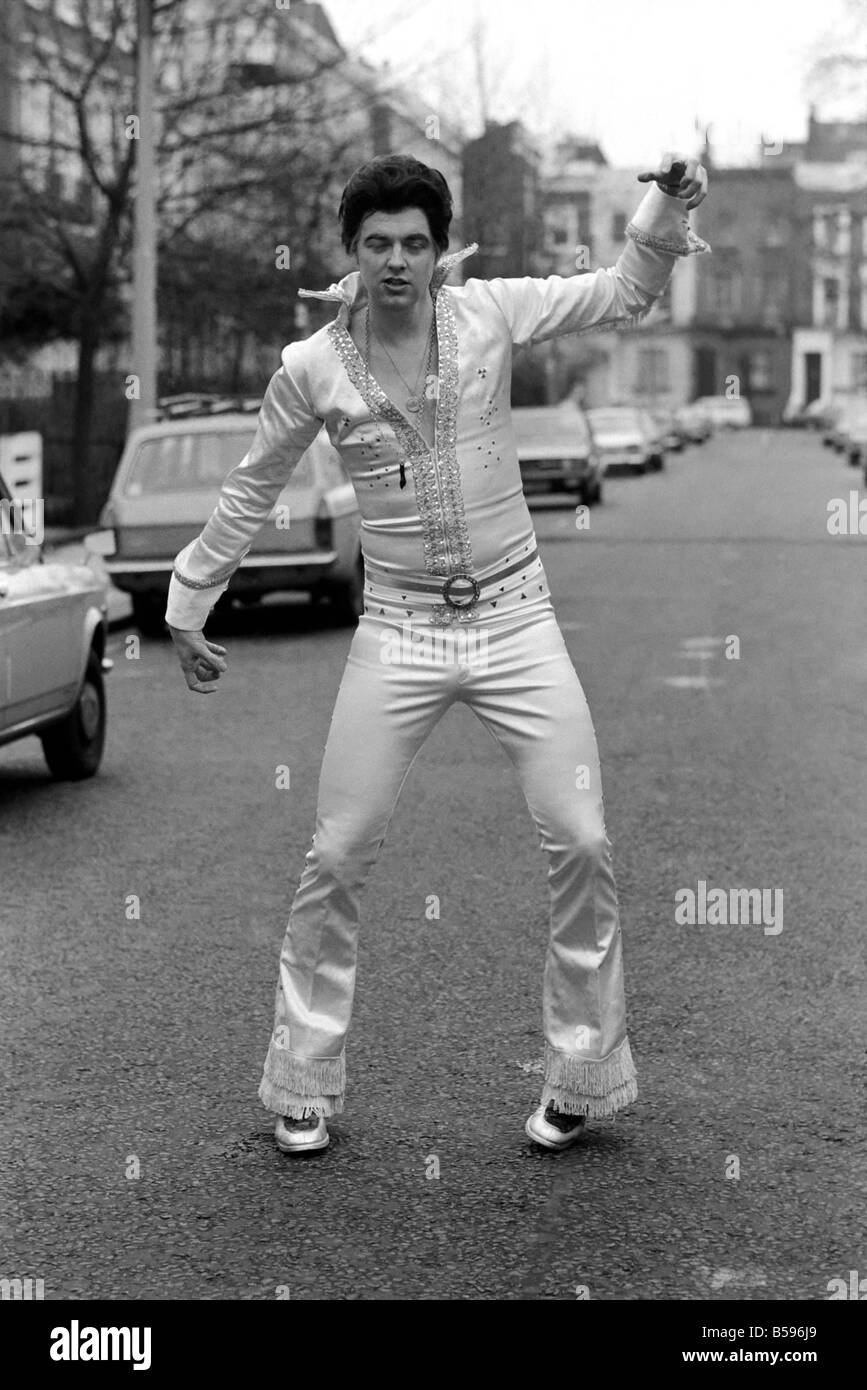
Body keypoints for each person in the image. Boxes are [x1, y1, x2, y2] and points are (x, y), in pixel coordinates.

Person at [166, 151, 709, 1155]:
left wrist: (666, 203)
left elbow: (628, 290)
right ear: (354, 253)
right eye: (378, 245)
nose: (398, 262)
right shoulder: (311, 368)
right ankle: (304, 1082)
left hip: (515, 617)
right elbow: (251, 488)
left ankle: (581, 1075)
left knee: (581, 838)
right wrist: (191, 597)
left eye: (416, 243)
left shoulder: (495, 313)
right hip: (399, 631)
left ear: (442, 251)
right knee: (336, 848)